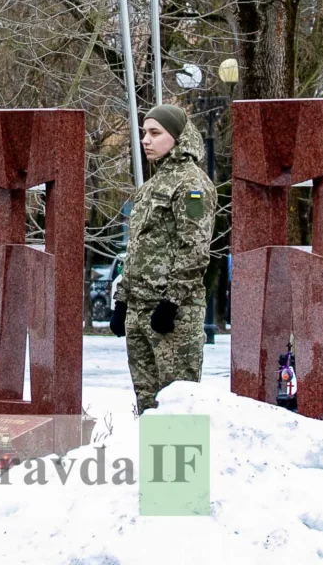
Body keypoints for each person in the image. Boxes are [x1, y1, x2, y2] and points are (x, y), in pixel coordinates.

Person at [112, 105, 216, 414]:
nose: (146, 140)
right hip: (139, 309)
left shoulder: (192, 185)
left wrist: (171, 303)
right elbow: (137, 249)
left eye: (155, 133)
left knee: (177, 406)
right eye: (145, 133)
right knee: (147, 406)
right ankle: (152, 451)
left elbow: (195, 248)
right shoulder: (150, 187)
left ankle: (176, 452)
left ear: (177, 138)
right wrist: (122, 301)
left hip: (173, 315)